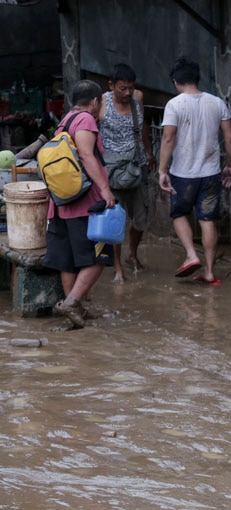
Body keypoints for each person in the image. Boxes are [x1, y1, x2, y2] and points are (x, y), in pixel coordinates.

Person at [42, 79, 117, 330]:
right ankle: (72, 302)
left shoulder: (64, 122)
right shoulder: (85, 120)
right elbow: (86, 154)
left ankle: (76, 312)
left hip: (61, 204)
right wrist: (105, 190)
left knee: (69, 260)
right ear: (95, 102)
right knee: (99, 256)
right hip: (85, 203)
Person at [158, 56, 231, 286]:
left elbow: (168, 137)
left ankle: (192, 254)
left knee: (179, 213)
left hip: (183, 174)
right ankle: (210, 272)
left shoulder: (175, 105)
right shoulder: (217, 103)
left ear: (175, 81)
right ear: (197, 79)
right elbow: (230, 137)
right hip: (211, 173)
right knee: (207, 218)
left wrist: (162, 170)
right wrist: (230, 166)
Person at [99, 63, 155, 281]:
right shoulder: (101, 102)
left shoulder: (137, 98)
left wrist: (149, 152)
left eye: (130, 88)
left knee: (141, 217)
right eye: (122, 88)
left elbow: (143, 128)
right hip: (112, 172)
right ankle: (117, 268)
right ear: (111, 85)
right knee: (115, 220)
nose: (127, 93)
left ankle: (132, 254)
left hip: (137, 166)